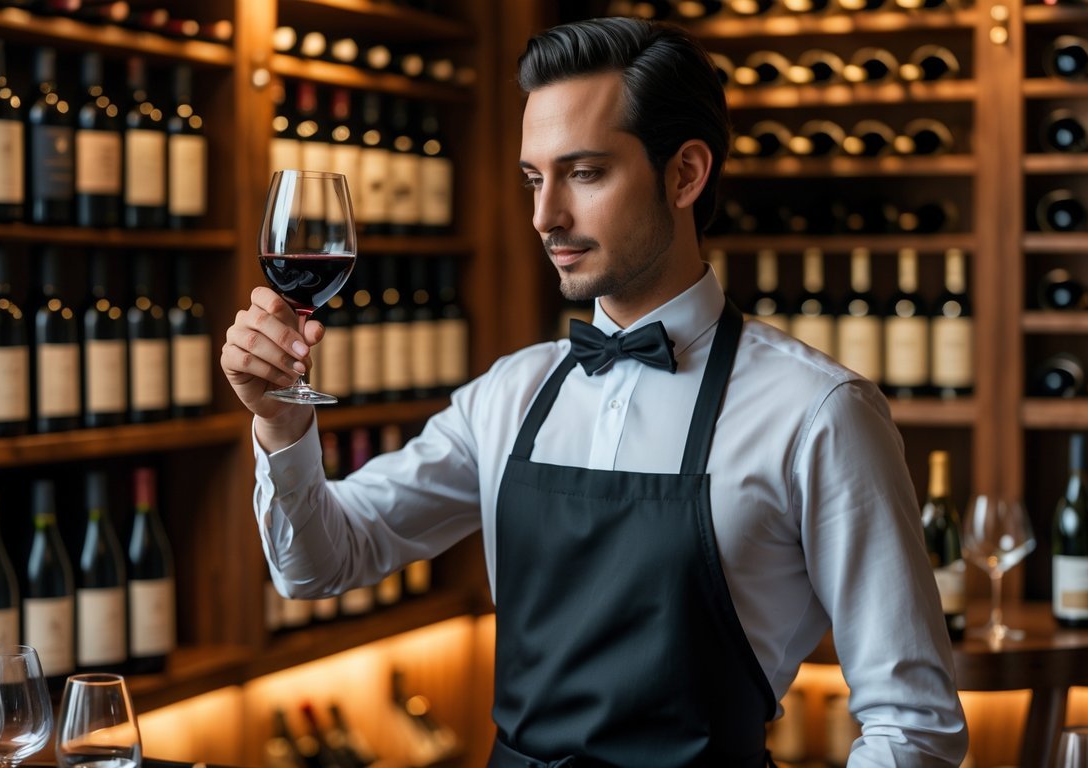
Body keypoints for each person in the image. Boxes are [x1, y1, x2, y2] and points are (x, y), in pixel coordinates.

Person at [222, 16, 968, 768]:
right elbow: (320, 564)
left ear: (684, 174)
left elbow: (913, 725)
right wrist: (283, 429)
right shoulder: (509, 393)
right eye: (533, 179)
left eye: (583, 174)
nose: (545, 217)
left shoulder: (818, 413)